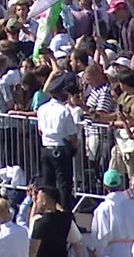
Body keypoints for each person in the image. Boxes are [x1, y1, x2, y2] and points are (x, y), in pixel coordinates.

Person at [37, 82, 79, 212]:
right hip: (60, 148)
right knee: (64, 186)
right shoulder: (64, 111)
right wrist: (74, 148)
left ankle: (47, 212)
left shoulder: (42, 109)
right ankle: (66, 215)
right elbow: (73, 136)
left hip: (46, 147)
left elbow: (40, 131)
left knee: (47, 185)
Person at [92, 169, 134, 257]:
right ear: (122, 184)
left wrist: (97, 253)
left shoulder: (103, 208)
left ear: (105, 187)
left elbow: (101, 237)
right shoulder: (133, 204)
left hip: (112, 252)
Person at [28, 186, 82, 257]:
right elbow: (77, 242)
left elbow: (33, 251)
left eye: (37, 198)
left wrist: (34, 204)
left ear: (44, 201)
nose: (36, 201)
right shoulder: (66, 220)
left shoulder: (39, 222)